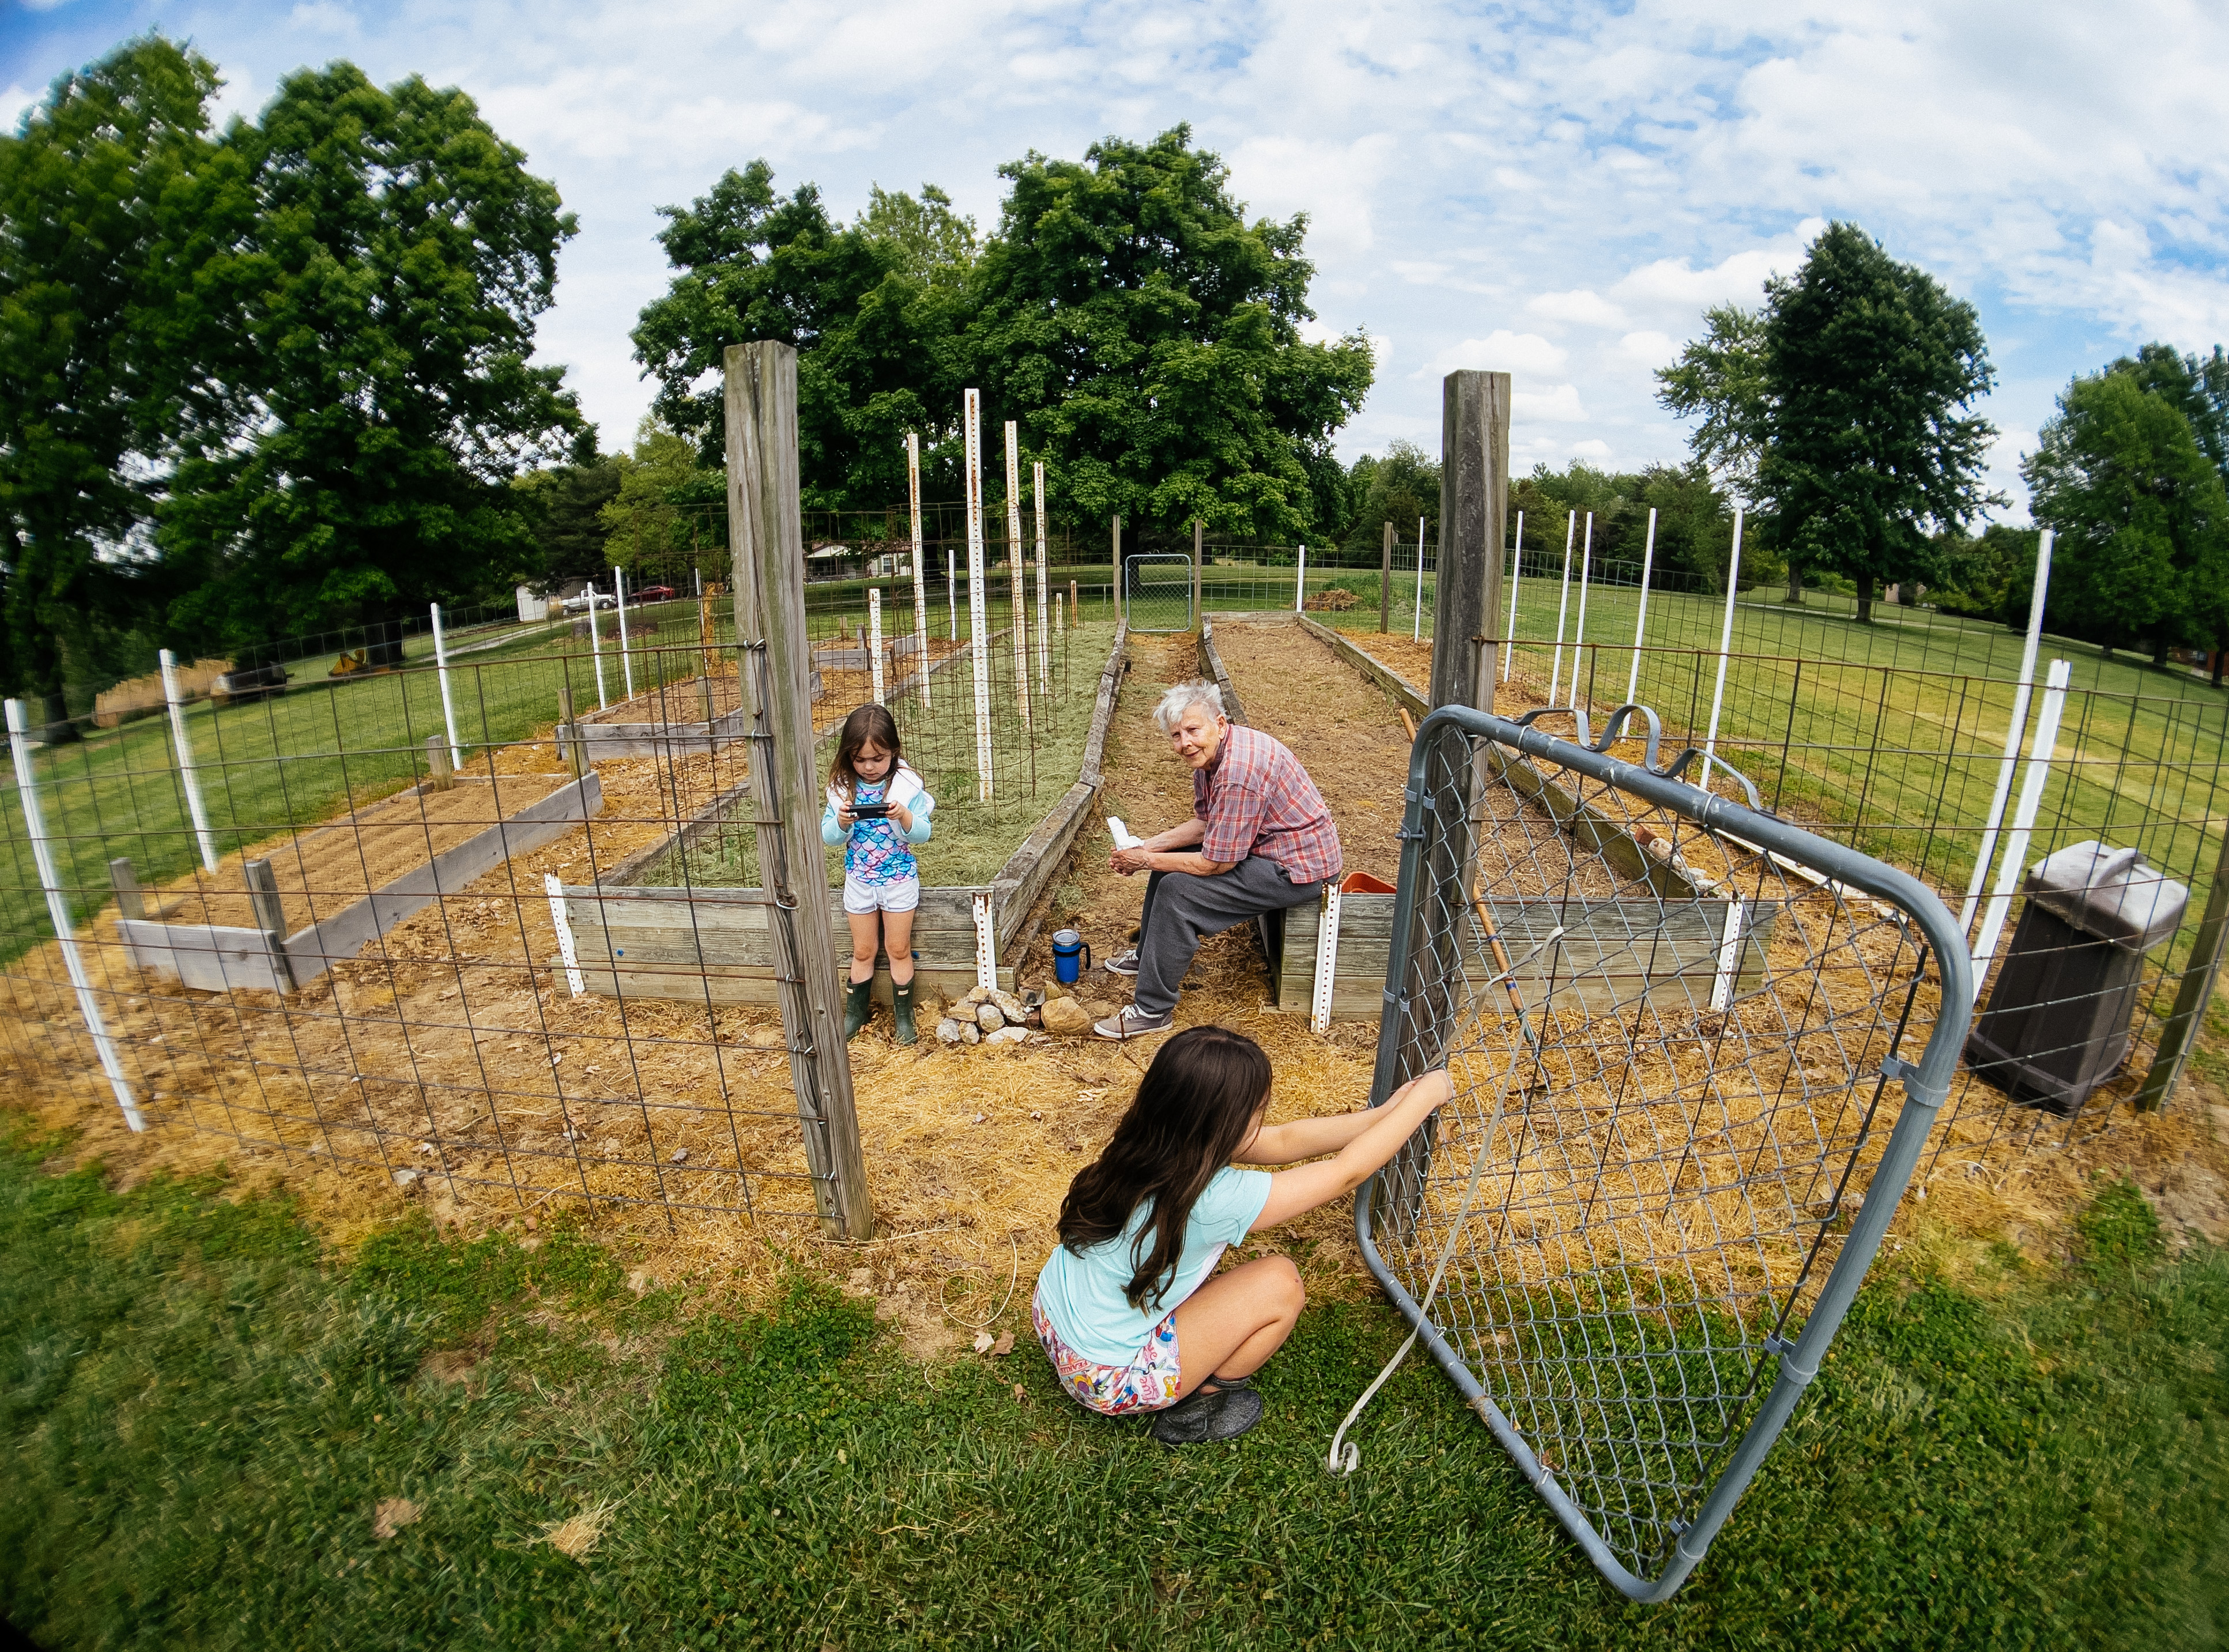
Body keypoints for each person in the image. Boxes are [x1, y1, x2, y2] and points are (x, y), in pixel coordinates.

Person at [1035, 1025, 1454, 1444]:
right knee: (1279, 1284)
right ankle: (1203, 1401)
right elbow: (1346, 1172)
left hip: (1053, 1320)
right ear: (1225, 1121)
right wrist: (1425, 1098)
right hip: (1106, 1378)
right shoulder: (1215, 1198)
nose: (1262, 1122)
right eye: (1256, 1111)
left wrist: (1385, 1114)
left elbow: (1286, 1139)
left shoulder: (1149, 1141)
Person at [1097, 681, 1341, 1040]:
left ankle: (1152, 1009)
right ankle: (1148, 952)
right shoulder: (1210, 759)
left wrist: (1145, 861)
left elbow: (1216, 865)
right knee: (1170, 859)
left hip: (1296, 869)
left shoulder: (1239, 772)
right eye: (1176, 736)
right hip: (1266, 848)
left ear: (1221, 724)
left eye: (1193, 730)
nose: (1185, 743)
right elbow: (1207, 823)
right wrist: (1147, 848)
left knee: (1179, 892)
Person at [821, 704, 934, 1044]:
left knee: (898, 948)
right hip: (860, 883)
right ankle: (854, 1013)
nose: (869, 767)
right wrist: (841, 821)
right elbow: (828, 837)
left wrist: (904, 817)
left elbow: (923, 834)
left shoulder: (905, 788)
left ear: (893, 753)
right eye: (859, 759)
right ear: (847, 757)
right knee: (863, 951)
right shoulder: (842, 791)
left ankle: (905, 1018)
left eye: (878, 758)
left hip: (899, 881)